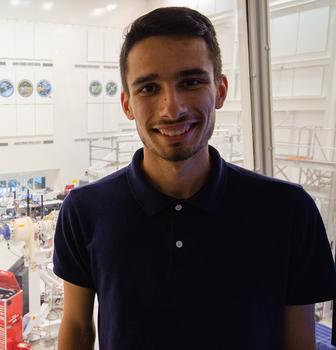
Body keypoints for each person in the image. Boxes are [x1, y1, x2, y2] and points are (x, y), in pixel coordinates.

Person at [53, 7, 336, 350]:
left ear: (220, 90)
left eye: (190, 82)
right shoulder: (85, 211)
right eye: (149, 88)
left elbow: (298, 342)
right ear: (127, 104)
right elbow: (78, 329)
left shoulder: (289, 211)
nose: (172, 109)